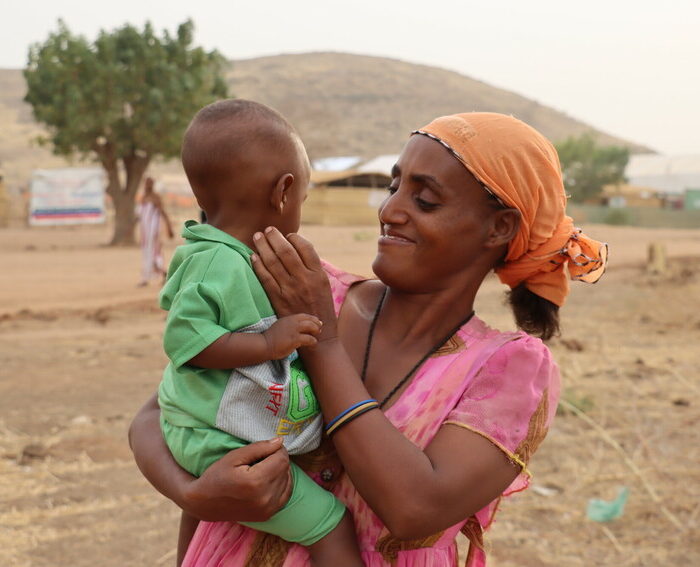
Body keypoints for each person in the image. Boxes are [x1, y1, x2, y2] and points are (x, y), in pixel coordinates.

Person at [129, 112, 608, 566]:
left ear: (498, 227)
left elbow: (416, 508)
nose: (390, 210)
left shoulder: (507, 370)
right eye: (393, 186)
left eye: (425, 200)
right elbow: (164, 409)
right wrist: (191, 493)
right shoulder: (304, 288)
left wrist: (322, 343)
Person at [154, 99, 362, 566]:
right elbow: (187, 339)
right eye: (304, 200)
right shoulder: (215, 260)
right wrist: (270, 342)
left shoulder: (242, 257)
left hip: (222, 432)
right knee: (331, 524)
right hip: (215, 441)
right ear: (284, 192)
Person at [137, 177, 174, 286]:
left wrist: (169, 228)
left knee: (155, 253)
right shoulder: (143, 198)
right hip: (145, 233)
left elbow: (163, 213)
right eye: (146, 184)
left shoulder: (155, 198)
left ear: (152, 185)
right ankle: (147, 277)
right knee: (146, 254)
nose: (147, 186)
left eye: (149, 184)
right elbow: (140, 216)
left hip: (154, 232)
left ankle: (163, 274)